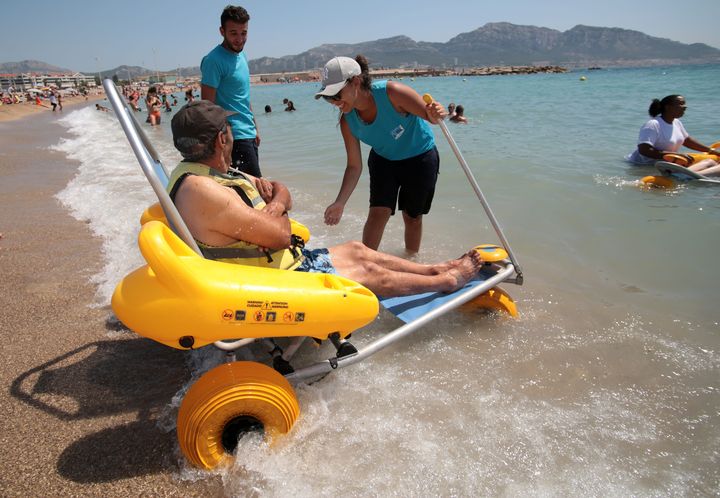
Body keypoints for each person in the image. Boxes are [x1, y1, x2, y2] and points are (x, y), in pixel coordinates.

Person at [167, 100, 485, 297]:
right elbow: (279, 232)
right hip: (273, 281)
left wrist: (275, 203)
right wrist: (276, 205)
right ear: (222, 138)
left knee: (358, 250)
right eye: (229, 128)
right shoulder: (202, 189)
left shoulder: (209, 172)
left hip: (278, 265)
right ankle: (446, 281)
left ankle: (437, 268)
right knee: (368, 272)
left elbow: (281, 188)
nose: (233, 132)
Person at [316, 55, 446, 254]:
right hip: (384, 160)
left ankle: (410, 262)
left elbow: (431, 117)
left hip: (420, 156)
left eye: (336, 94)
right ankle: (367, 263)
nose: (333, 102)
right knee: (378, 213)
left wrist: (437, 111)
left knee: (412, 217)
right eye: (328, 97)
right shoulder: (347, 121)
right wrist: (340, 202)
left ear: (356, 82)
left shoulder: (392, 92)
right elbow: (354, 166)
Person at [200, 5, 261, 177]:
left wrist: (255, 127)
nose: (240, 39)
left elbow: (243, 95)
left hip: (248, 134)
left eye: (244, 33)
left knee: (249, 191)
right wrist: (221, 143)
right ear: (222, 31)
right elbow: (207, 107)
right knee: (255, 192)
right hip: (232, 138)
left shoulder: (241, 55)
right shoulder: (213, 60)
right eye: (233, 33)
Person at [627, 95, 720, 175]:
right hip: (643, 165)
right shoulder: (653, 124)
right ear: (668, 107)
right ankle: (684, 176)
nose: (685, 107)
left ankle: (687, 175)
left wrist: (711, 150)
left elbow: (687, 141)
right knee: (711, 164)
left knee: (711, 162)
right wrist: (674, 154)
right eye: (681, 104)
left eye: (684, 104)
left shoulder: (676, 122)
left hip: (666, 163)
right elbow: (644, 150)